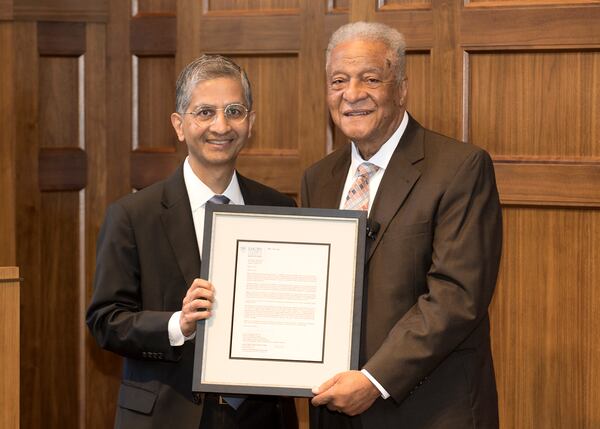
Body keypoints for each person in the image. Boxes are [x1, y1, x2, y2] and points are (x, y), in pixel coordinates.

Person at [302, 22, 502, 428]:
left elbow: (456, 297)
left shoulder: (460, 168)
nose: (352, 94)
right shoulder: (318, 178)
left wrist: (374, 380)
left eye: (370, 79)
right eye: (338, 80)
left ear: (401, 88)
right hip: (335, 407)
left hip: (428, 409)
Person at [87, 55, 297, 429]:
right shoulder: (133, 215)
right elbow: (105, 321)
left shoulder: (279, 208)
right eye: (204, 112)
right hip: (166, 416)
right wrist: (176, 325)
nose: (221, 125)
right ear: (179, 125)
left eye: (234, 111)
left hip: (262, 417)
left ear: (250, 123)